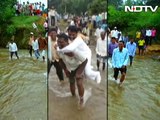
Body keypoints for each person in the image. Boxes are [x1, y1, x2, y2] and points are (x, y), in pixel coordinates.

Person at [57, 33, 88, 109]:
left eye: (61, 42)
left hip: (79, 66)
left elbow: (85, 60)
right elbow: (60, 61)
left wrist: (79, 73)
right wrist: (65, 70)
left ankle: (81, 99)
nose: (59, 44)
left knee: (79, 82)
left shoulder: (75, 50)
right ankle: (73, 96)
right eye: (58, 42)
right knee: (71, 82)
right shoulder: (59, 50)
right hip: (69, 68)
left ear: (67, 42)